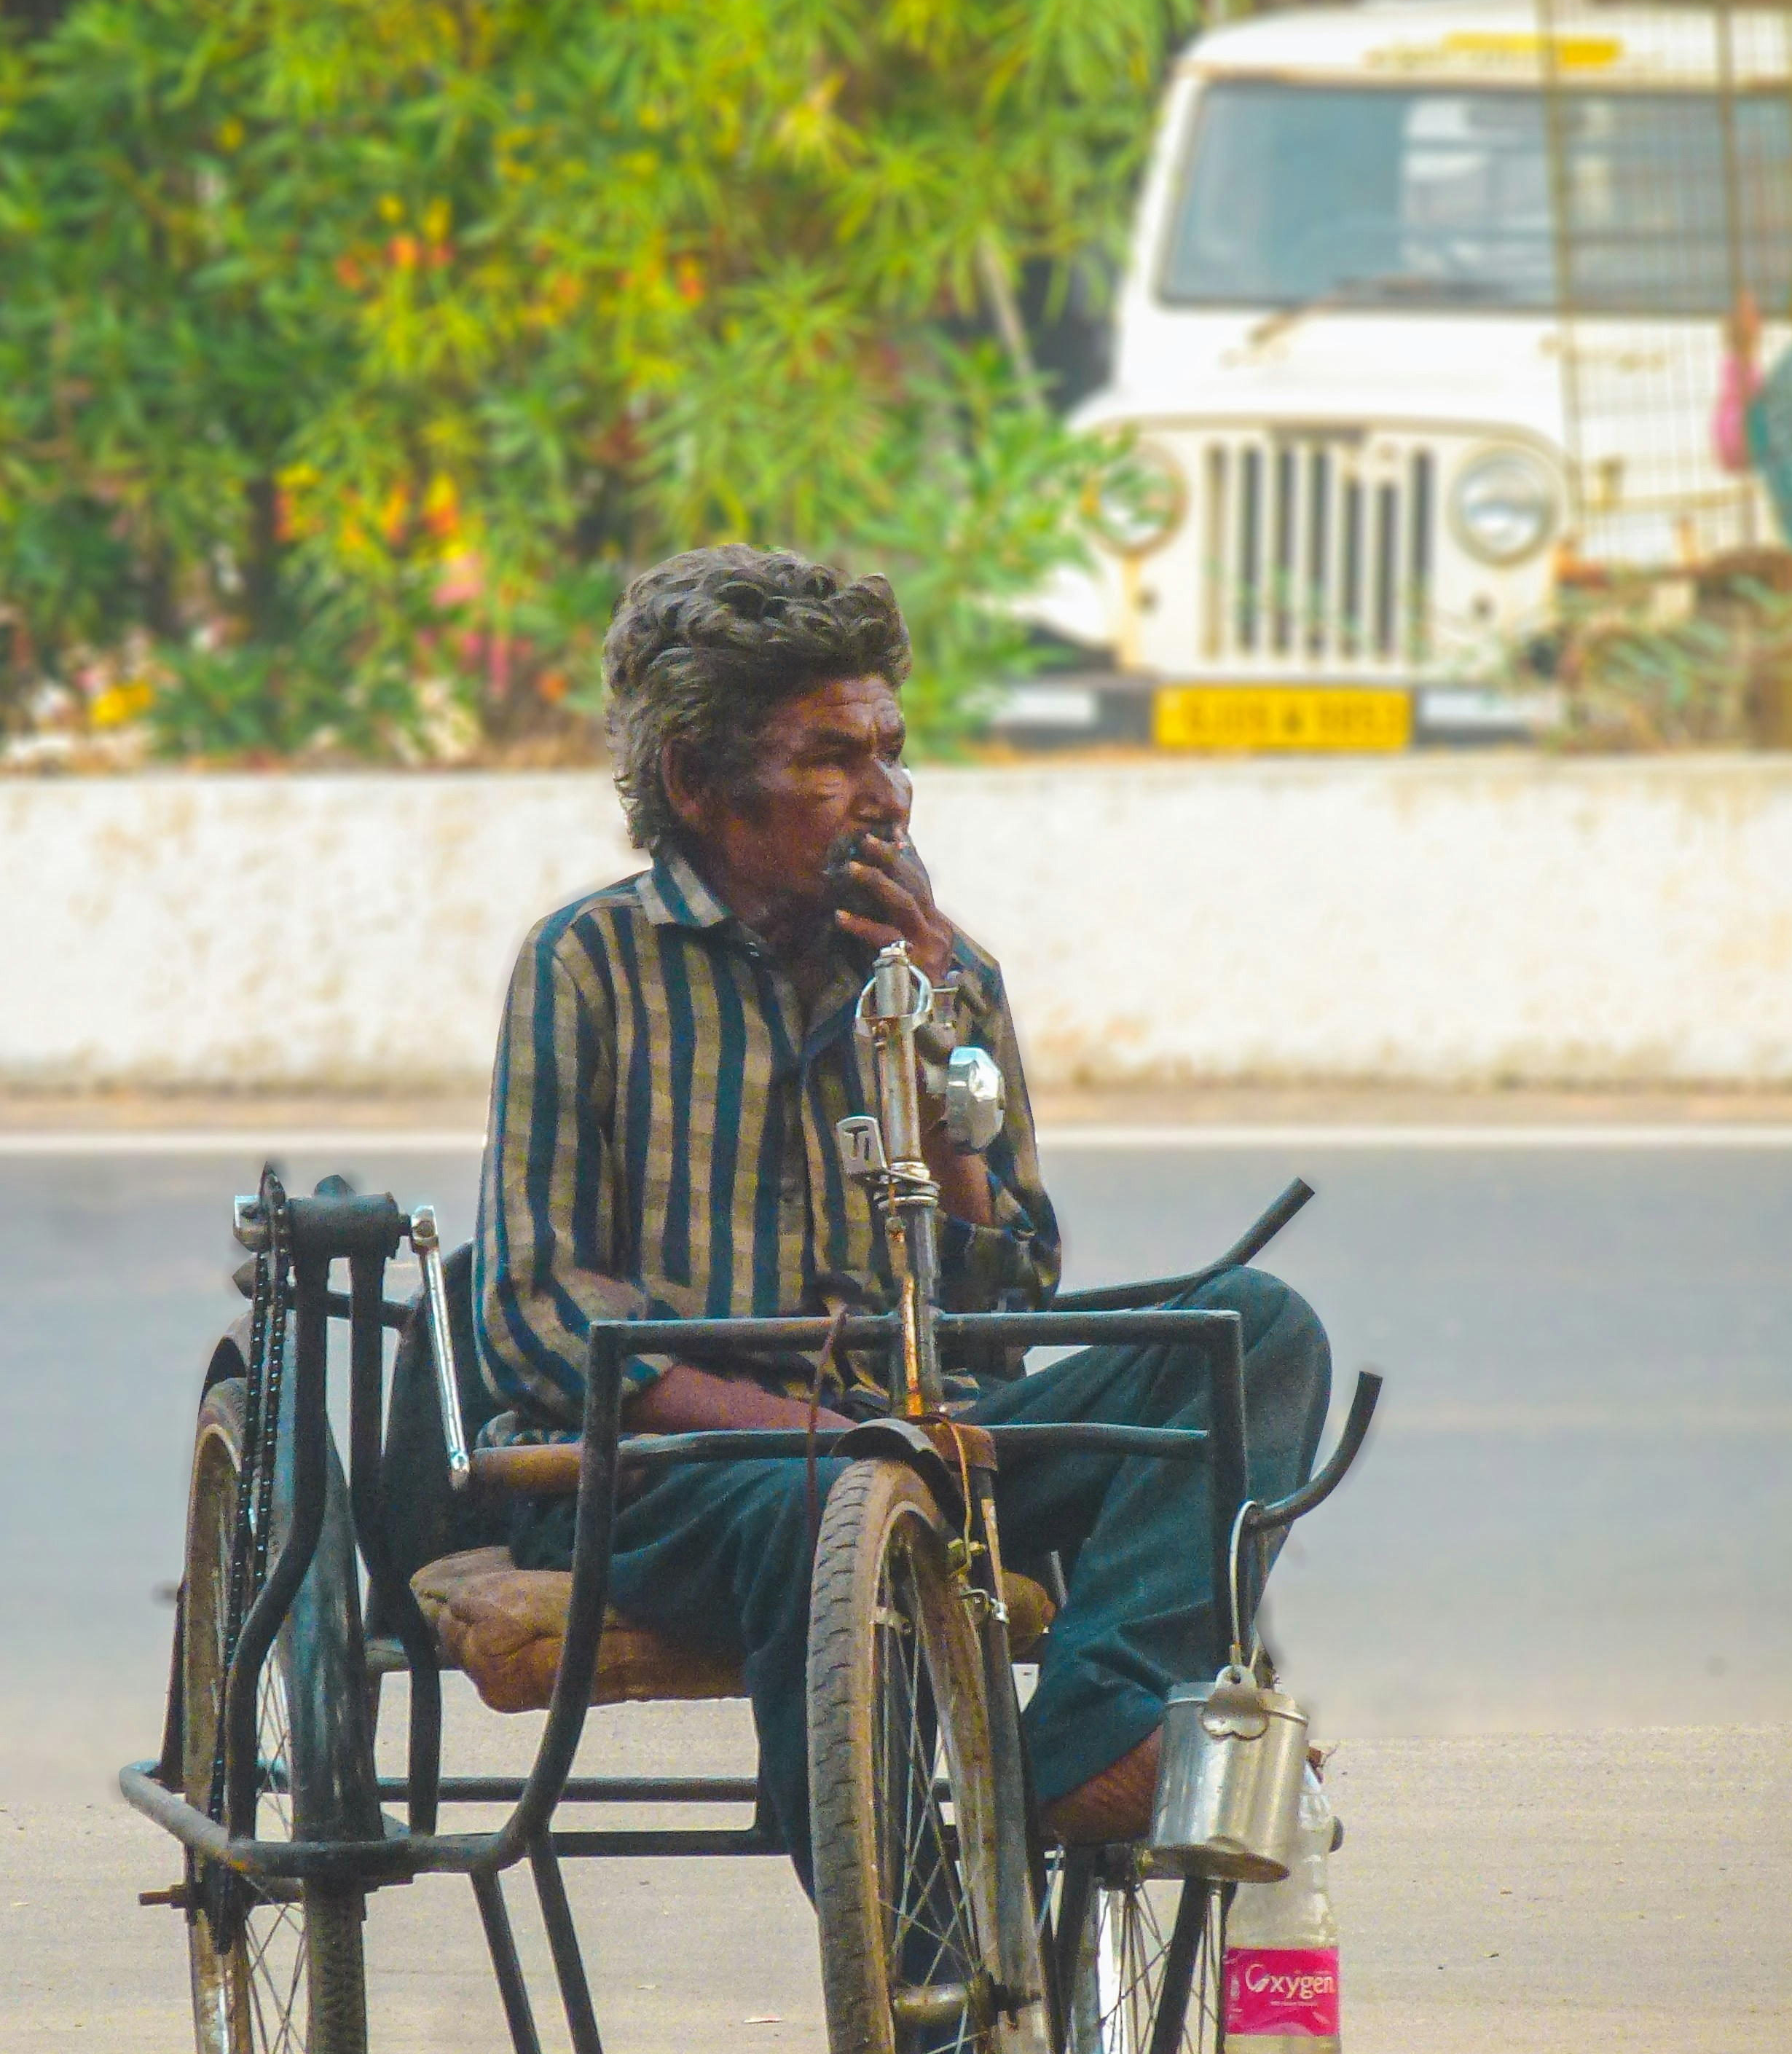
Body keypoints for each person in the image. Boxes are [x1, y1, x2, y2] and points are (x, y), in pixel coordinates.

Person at [474, 543, 1329, 1884]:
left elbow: (1016, 1290)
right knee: (832, 1502)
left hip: (934, 1432)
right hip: (680, 1483)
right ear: (698, 781)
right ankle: (918, 2017)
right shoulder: (588, 966)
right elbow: (535, 1311)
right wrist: (829, 1434)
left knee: (1256, 1333)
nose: (885, 796)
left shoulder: (949, 969)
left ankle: (1086, 1733)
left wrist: (937, 1054)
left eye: (892, 750)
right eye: (831, 758)